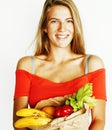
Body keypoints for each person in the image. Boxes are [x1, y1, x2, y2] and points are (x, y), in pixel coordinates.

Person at [13, 0, 107, 130]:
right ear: (44, 27)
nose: (62, 28)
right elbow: (19, 122)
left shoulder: (91, 64)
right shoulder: (28, 65)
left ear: (75, 26)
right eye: (54, 21)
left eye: (69, 21)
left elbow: (99, 120)